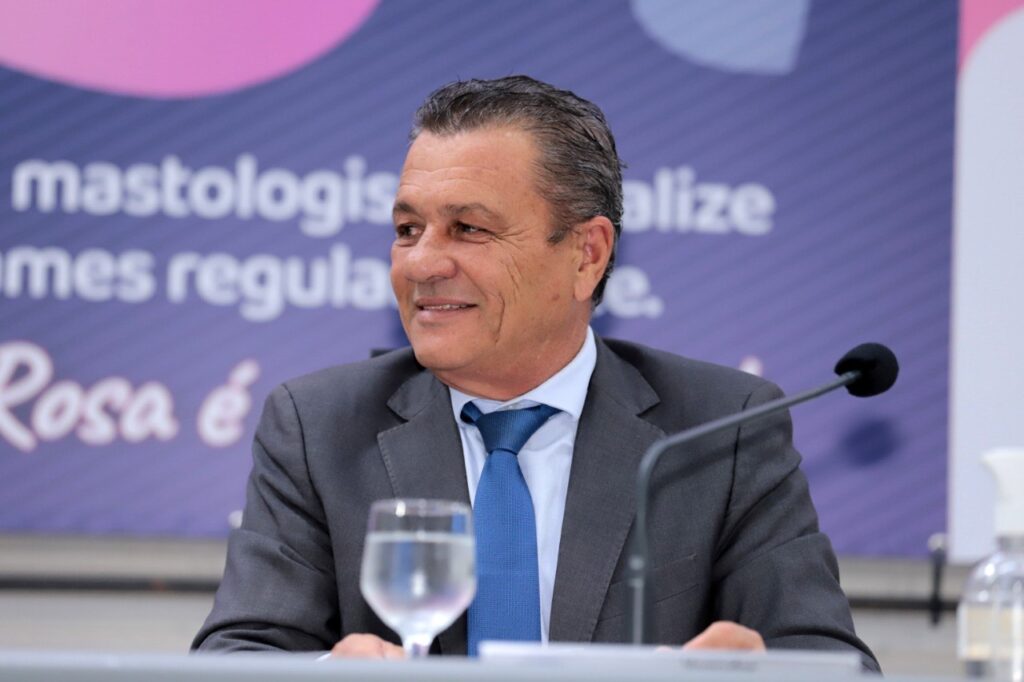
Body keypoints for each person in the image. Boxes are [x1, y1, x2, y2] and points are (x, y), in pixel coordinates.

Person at [192, 76, 878, 670]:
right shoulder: (319, 428)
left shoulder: (719, 430)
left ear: (587, 255)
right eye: (407, 229)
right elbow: (239, 656)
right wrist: (327, 675)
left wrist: (751, 675)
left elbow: (828, 661)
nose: (421, 263)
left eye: (469, 229)